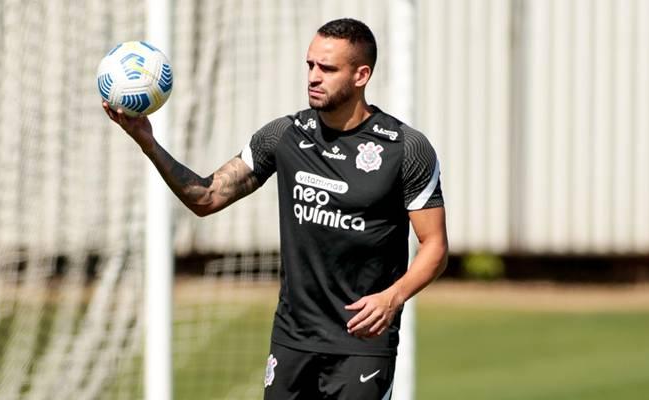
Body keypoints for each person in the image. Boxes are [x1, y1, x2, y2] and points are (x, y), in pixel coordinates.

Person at [103, 17, 448, 400]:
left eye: (328, 68)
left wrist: (392, 297)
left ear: (361, 75)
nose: (314, 76)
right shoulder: (283, 135)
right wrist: (148, 143)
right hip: (292, 339)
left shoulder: (406, 149)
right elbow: (207, 196)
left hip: (362, 345)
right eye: (310, 65)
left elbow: (434, 246)